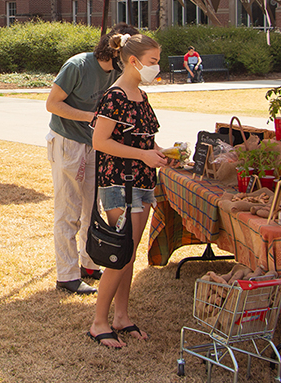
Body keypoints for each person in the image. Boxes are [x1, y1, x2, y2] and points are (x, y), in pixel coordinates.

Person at [87, 32, 167, 348]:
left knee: (129, 255)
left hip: (143, 182)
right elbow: (100, 142)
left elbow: (145, 140)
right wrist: (144, 155)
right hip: (120, 184)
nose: (156, 67)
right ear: (133, 61)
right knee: (119, 255)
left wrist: (162, 153)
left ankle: (121, 316)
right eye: (152, 61)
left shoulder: (140, 96)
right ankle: (99, 322)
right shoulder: (115, 96)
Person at [45, 23, 138, 295]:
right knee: (68, 211)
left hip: (93, 144)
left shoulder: (117, 74)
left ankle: (88, 264)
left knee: (91, 209)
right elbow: (52, 104)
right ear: (117, 50)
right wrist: (90, 117)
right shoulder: (78, 65)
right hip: (67, 142)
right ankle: (66, 275)